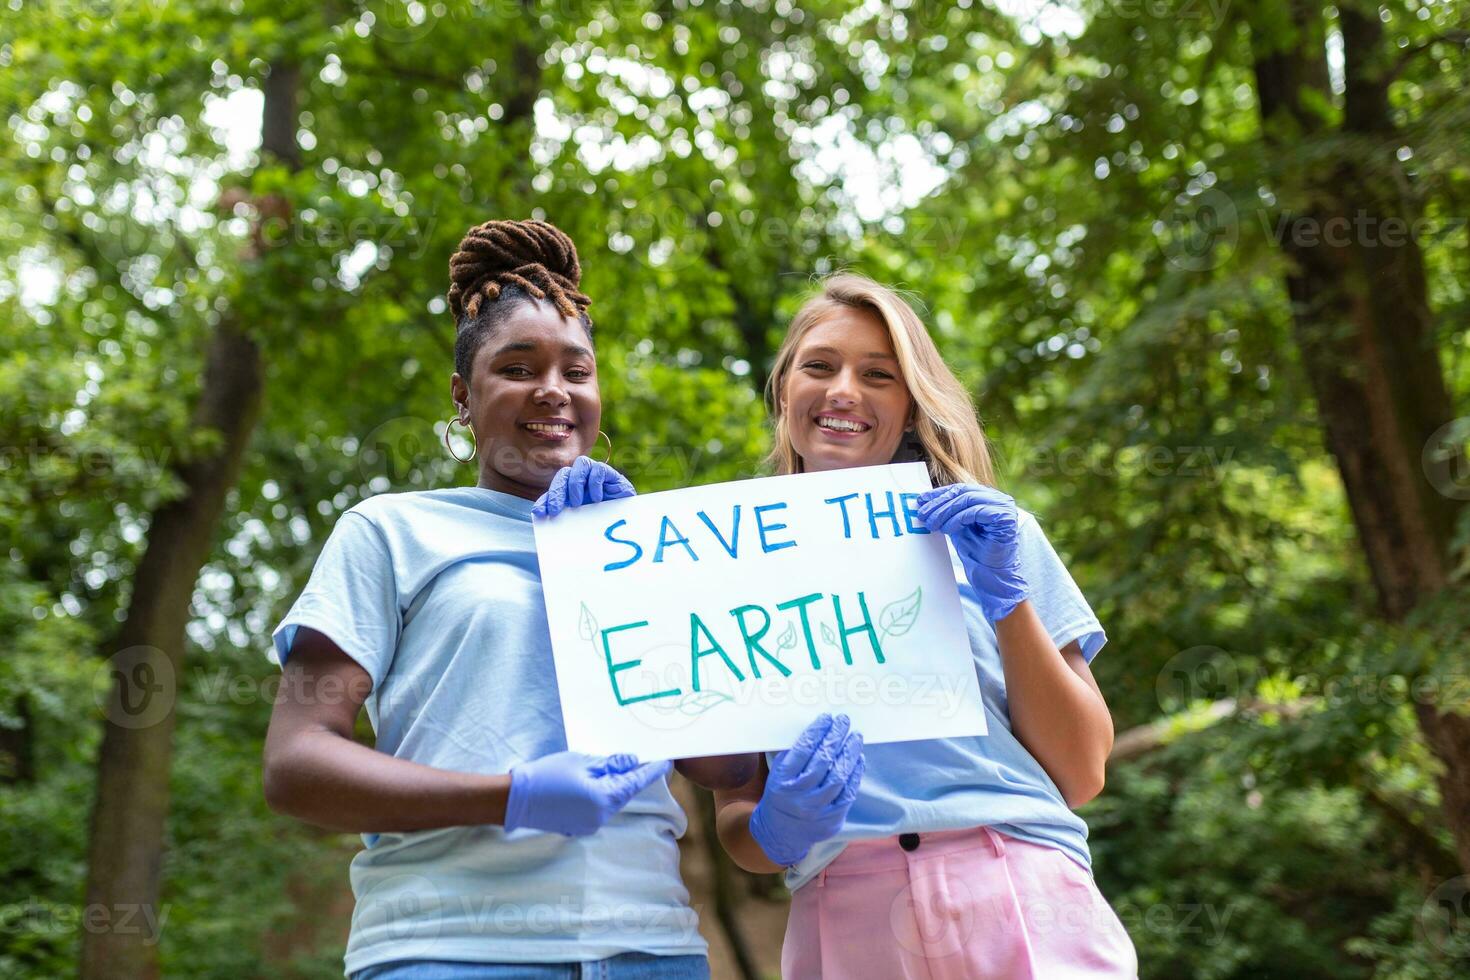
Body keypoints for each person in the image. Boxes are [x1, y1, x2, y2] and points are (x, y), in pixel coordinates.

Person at [263, 218, 805, 980]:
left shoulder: (653, 544)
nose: (553, 389)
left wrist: (631, 576)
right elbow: (296, 764)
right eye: (518, 367)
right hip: (448, 946)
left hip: (648, 948)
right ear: (462, 395)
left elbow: (718, 764)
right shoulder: (391, 532)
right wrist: (511, 795)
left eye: (576, 372)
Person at [714, 273, 1139, 978]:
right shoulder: (718, 566)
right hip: (843, 915)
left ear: (911, 407)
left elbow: (1082, 769)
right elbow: (739, 825)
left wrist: (1009, 604)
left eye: (878, 375)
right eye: (819, 366)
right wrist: (772, 828)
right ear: (784, 389)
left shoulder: (995, 533)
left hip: (1022, 892)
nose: (844, 389)